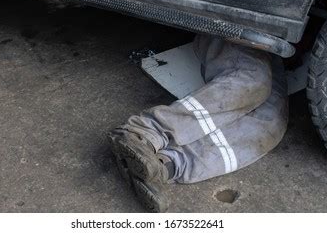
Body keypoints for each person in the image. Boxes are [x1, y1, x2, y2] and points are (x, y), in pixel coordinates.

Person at [109, 35, 289, 212]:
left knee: (271, 122)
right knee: (253, 81)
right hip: (241, 28)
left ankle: (164, 164)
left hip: (276, 49)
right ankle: (144, 133)